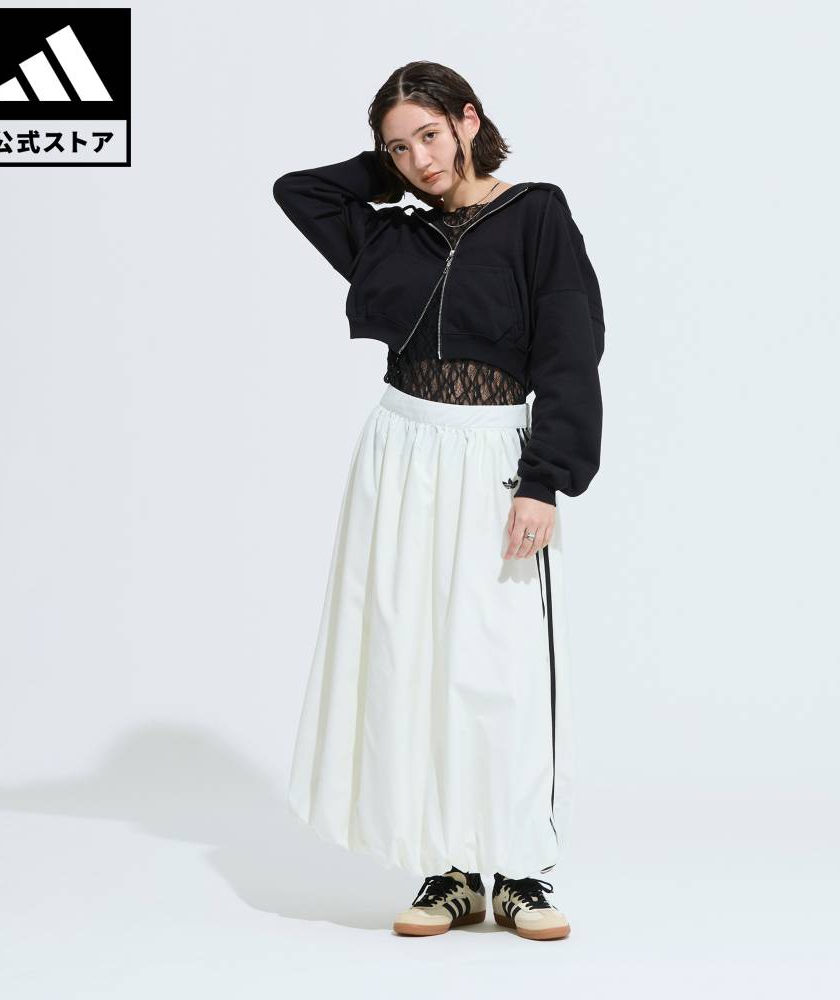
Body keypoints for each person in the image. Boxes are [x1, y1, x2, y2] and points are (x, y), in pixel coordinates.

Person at [272, 61, 604, 941]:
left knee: (502, 664)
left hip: (495, 456)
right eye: (398, 148)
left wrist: (545, 479)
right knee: (410, 654)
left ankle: (521, 871)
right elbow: (298, 191)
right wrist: (387, 171)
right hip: (400, 452)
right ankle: (449, 868)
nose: (419, 159)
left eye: (430, 134)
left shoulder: (536, 213)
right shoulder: (393, 237)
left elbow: (572, 349)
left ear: (469, 119)